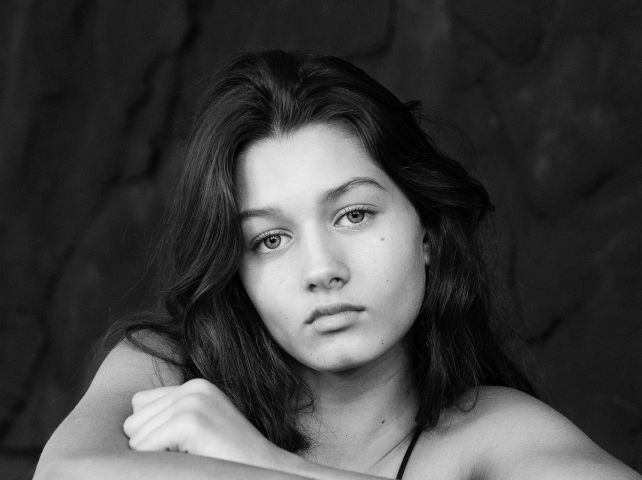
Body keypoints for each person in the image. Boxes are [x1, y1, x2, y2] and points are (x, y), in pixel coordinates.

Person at [34, 50, 639, 480]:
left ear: (427, 234)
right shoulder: (166, 371)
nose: (322, 269)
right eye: (270, 239)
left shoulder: (493, 432)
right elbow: (67, 474)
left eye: (353, 215)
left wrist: (260, 461)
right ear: (236, 269)